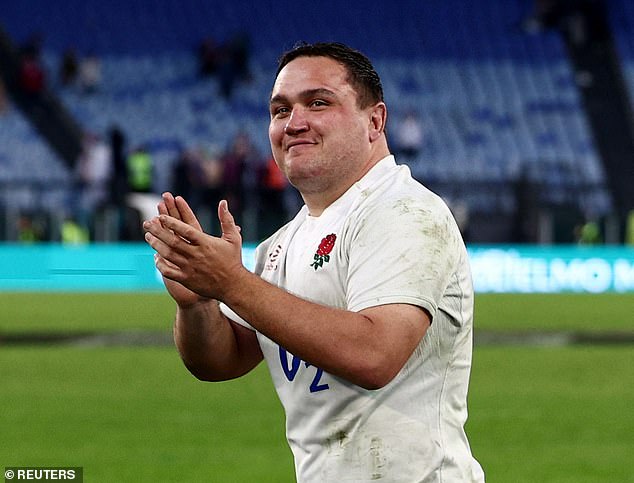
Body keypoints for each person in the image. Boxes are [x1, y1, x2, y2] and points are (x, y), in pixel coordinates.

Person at [143, 42, 484, 482]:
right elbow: (220, 362)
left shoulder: (404, 211)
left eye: (318, 103)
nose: (294, 123)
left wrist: (230, 283)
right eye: (280, 110)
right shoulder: (284, 243)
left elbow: (374, 355)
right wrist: (198, 302)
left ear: (375, 121)